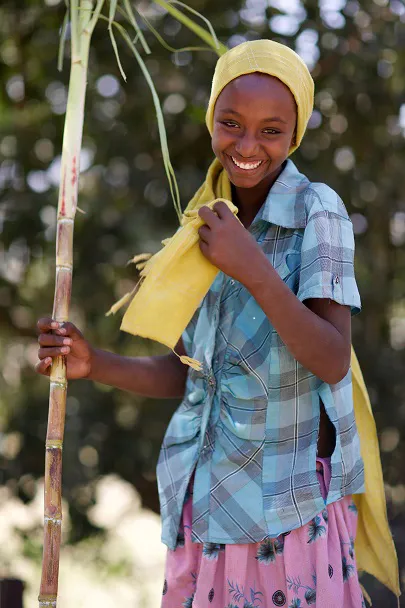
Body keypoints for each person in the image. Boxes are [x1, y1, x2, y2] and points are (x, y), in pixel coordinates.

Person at [36, 40, 378, 607]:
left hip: (286, 517)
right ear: (211, 122)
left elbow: (331, 358)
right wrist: (95, 364)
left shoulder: (318, 211)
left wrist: (253, 269)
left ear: (294, 135)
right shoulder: (206, 224)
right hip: (203, 513)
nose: (247, 145)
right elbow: (193, 373)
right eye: (231, 124)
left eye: (271, 130)